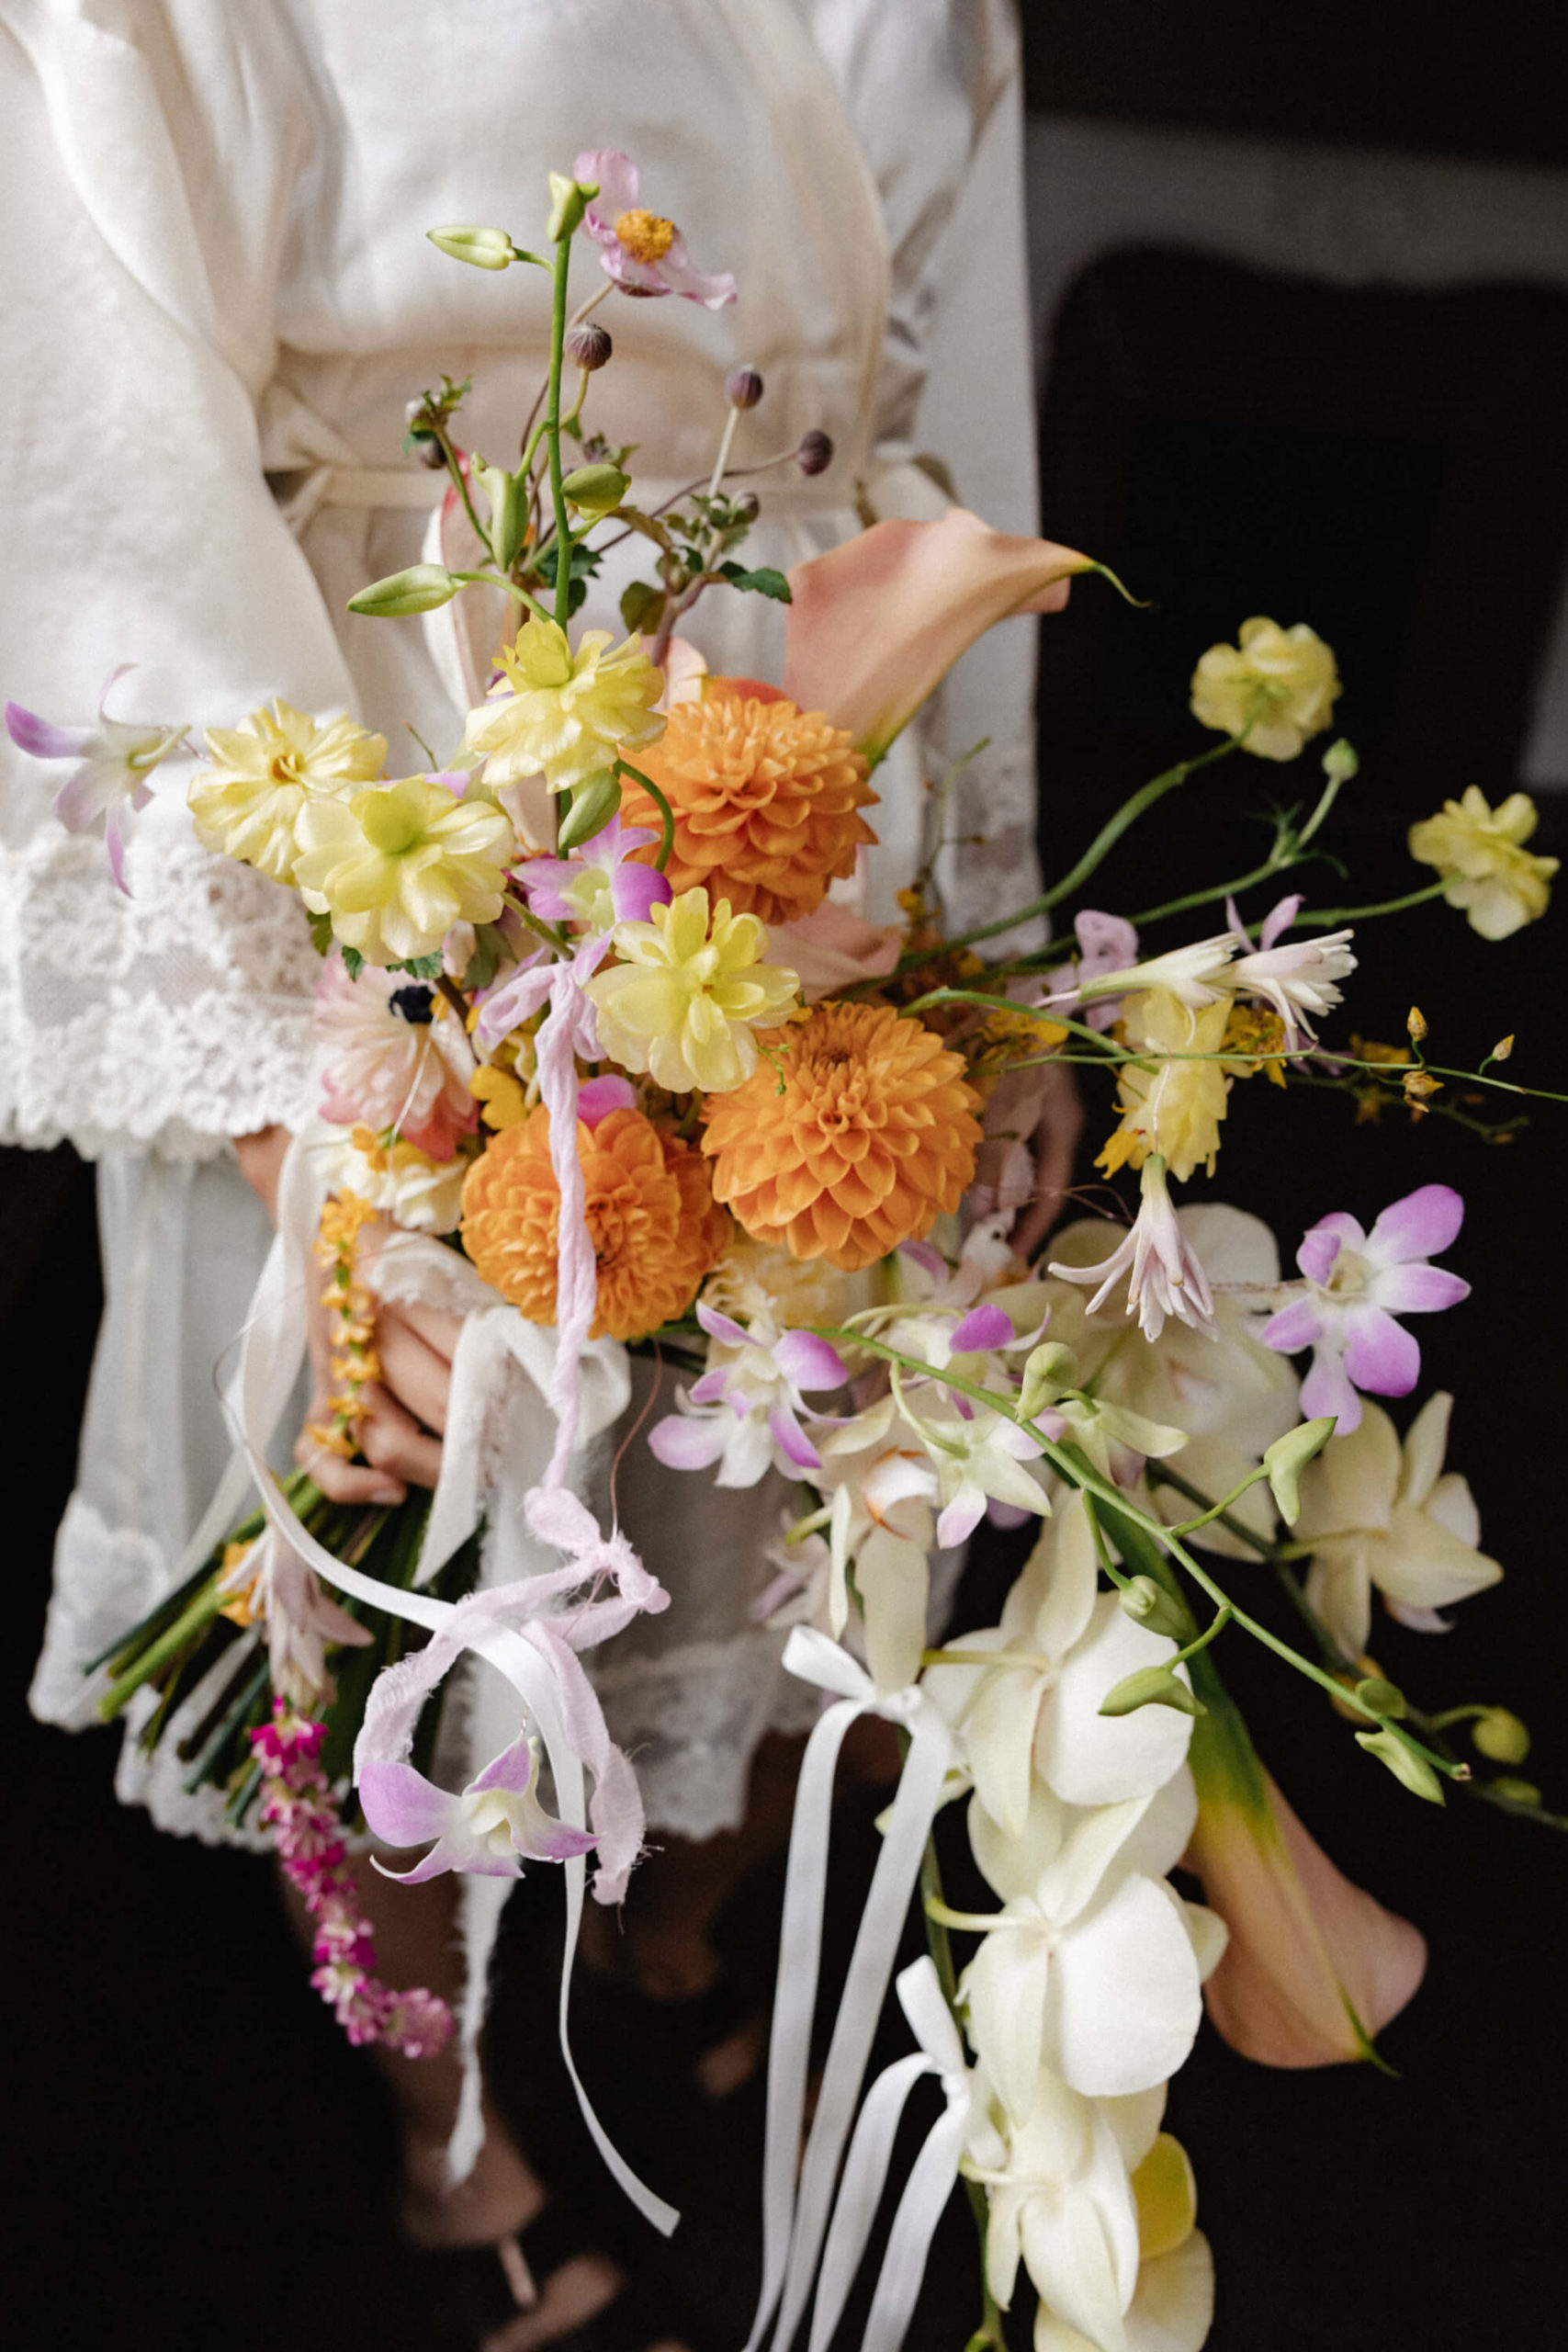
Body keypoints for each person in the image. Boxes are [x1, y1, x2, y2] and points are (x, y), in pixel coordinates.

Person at [2, 4, 1067, 2344]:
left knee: (747, 1461)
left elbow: (934, 414)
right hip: (387, 754)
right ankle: (442, 2110)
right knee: (411, 1506)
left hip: (808, 754)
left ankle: (655, 1920)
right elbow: (96, 455)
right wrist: (316, 1106)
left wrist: (980, 927)